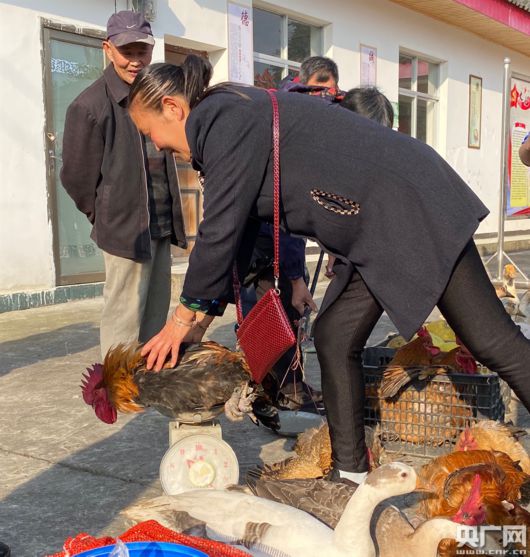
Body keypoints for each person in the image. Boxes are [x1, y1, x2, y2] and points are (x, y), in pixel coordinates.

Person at [127, 57, 530, 485]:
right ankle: (351, 471)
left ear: (172, 108)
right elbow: (238, 232)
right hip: (377, 225)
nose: (156, 145)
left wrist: (181, 319)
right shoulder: (226, 116)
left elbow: (219, 228)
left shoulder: (222, 118)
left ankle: (352, 467)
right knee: (335, 334)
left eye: (149, 132)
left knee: (490, 339)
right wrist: (202, 320)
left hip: (409, 209)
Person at [60, 11, 186, 358]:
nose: (135, 61)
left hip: (159, 224)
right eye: (126, 51)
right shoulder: (89, 106)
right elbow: (75, 177)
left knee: (155, 316)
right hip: (124, 231)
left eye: (141, 52)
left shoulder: (157, 95)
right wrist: (105, 215)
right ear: (108, 49)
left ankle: (147, 384)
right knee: (124, 318)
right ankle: (118, 392)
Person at [247, 56, 343, 414]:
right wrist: (296, 278)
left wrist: (331, 246)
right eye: (319, 88)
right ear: (302, 83)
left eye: (330, 91)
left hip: (273, 236)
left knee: (276, 315)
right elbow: (282, 215)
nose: (324, 96)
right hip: (264, 238)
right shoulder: (289, 120)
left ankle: (276, 388)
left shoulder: (300, 111)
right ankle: (284, 390)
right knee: (279, 314)